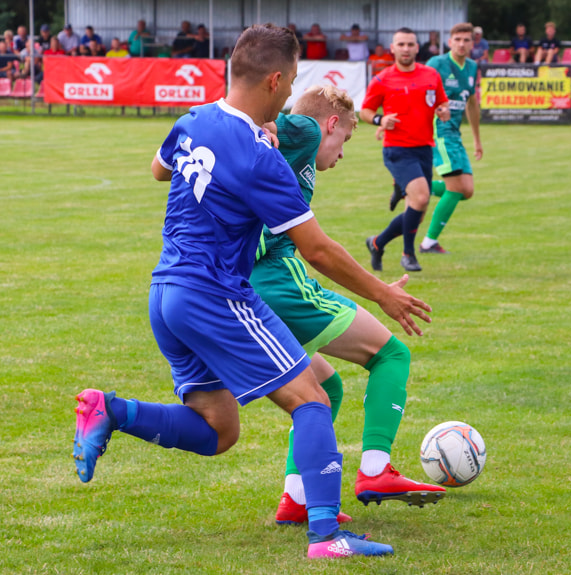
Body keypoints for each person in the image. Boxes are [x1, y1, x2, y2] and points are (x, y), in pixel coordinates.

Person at [69, 24, 426, 559]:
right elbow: (318, 250)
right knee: (312, 398)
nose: (289, 99)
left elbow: (159, 169)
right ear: (276, 79)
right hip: (216, 293)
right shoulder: (260, 157)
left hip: (165, 294)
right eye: (290, 85)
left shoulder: (195, 119)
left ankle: (111, 410)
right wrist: (383, 294)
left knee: (219, 430)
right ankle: (326, 536)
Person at [251, 85, 445, 525]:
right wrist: (261, 123)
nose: (341, 153)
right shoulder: (304, 129)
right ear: (331, 125)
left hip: (247, 286)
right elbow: (277, 122)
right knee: (391, 354)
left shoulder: (296, 154)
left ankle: (296, 497)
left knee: (325, 389)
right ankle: (376, 470)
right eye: (346, 141)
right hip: (277, 281)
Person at [361, 27, 450, 273]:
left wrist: (443, 111)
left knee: (417, 212)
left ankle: (377, 243)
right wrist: (380, 120)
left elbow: (441, 102)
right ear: (393, 48)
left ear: (416, 47)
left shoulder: (431, 75)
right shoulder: (382, 79)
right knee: (421, 198)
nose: (406, 49)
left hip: (424, 148)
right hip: (397, 149)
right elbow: (365, 111)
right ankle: (408, 255)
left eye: (410, 44)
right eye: (401, 44)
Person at [414, 22, 483, 255]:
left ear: (472, 43)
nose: (462, 44)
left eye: (466, 40)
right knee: (456, 188)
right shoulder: (437, 64)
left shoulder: (472, 67)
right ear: (450, 41)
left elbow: (472, 104)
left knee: (467, 190)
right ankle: (428, 242)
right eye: (458, 39)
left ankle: (414, 187)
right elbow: (418, 94)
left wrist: (477, 140)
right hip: (438, 132)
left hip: (455, 134)